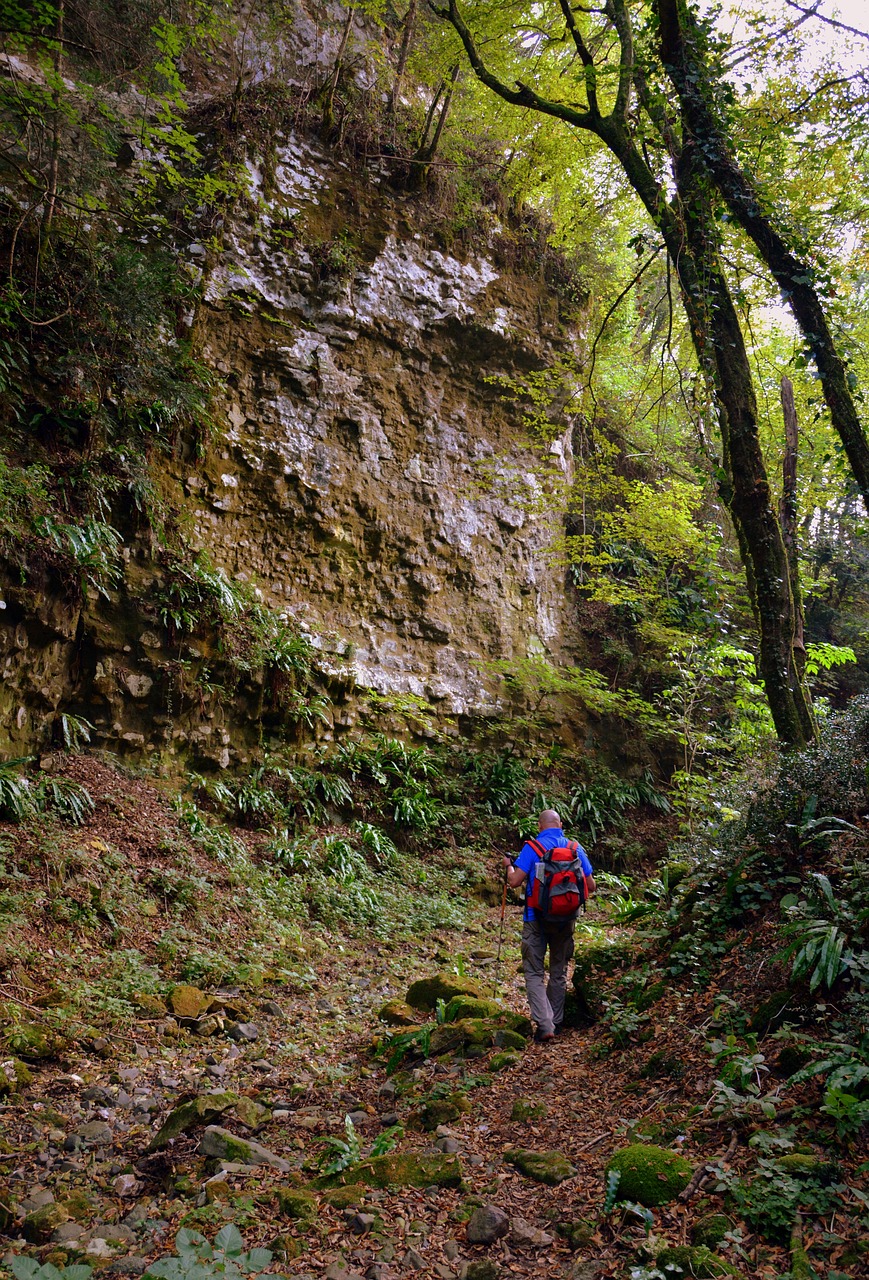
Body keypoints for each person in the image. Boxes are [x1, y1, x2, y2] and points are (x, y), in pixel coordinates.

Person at [503, 809, 595, 1043]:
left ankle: (545, 1026)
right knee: (558, 970)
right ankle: (556, 1021)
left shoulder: (532, 848)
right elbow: (591, 885)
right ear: (561, 824)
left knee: (533, 972)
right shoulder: (575, 848)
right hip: (566, 919)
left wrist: (508, 866)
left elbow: (514, 882)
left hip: (536, 918)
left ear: (539, 826)